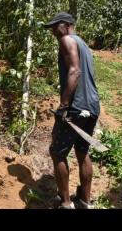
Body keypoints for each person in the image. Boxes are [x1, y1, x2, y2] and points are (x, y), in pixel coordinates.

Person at [43, 12, 101, 209]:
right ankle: (85, 201)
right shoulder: (83, 44)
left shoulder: (67, 40)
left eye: (55, 26)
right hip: (92, 106)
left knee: (57, 152)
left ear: (67, 25)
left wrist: (63, 106)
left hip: (76, 107)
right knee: (82, 150)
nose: (52, 30)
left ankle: (66, 204)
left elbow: (75, 71)